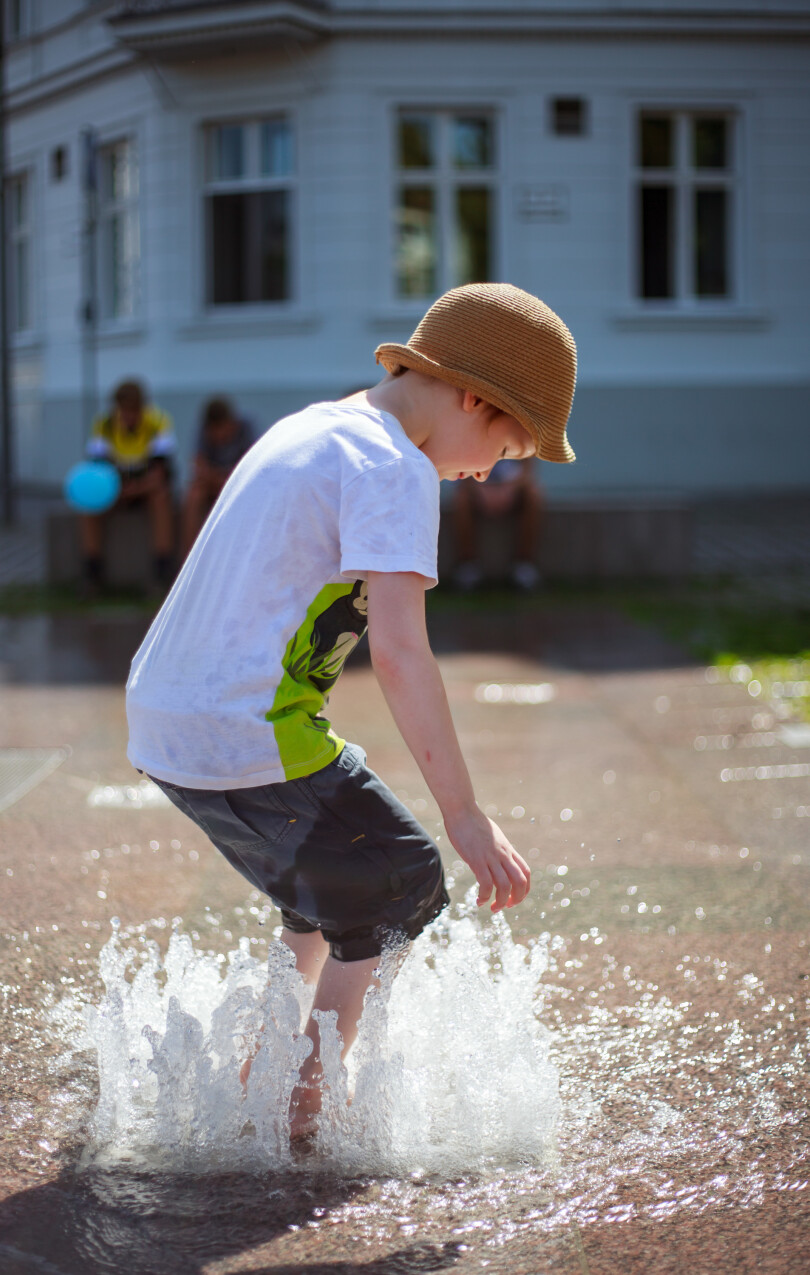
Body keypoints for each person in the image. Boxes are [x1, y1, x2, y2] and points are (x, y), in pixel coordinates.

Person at [125, 283, 577, 1139]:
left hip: (166, 718)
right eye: (504, 447)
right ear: (476, 398)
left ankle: (260, 1072)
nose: (489, 473)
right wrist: (465, 816)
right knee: (402, 880)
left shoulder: (316, 426)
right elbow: (402, 653)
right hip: (241, 723)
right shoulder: (393, 467)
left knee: (329, 883)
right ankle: (307, 1101)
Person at [80, 380, 177, 596]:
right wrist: (117, 490)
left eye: (133, 411)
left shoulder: (158, 422)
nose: (128, 417)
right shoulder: (104, 425)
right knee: (89, 505)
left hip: (144, 489)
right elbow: (96, 470)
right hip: (114, 487)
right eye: (124, 411)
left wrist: (134, 489)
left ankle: (162, 570)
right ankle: (92, 572)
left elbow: (160, 474)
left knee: (161, 498)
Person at [451, 455, 543, 591]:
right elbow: (461, 470)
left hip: (512, 488)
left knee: (533, 495)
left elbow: (528, 468)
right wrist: (480, 488)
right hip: (478, 488)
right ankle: (468, 566)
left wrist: (509, 488)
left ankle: (524, 566)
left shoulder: (523, 433)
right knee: (461, 499)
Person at [181, 397, 254, 560]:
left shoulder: (246, 429)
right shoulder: (203, 431)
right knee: (193, 495)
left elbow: (251, 469)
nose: (218, 436)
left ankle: (244, 558)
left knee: (248, 495)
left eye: (221, 429)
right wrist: (220, 477)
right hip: (215, 484)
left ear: (231, 423)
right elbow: (199, 467)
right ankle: (190, 560)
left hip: (239, 485)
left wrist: (219, 476)